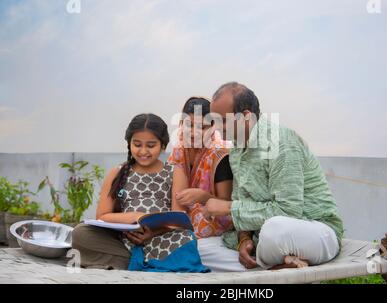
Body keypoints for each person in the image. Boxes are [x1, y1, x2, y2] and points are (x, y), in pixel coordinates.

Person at [204, 82, 344, 270]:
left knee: (274, 231)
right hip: (265, 240)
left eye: (222, 120)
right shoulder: (236, 151)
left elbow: (288, 212)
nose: (216, 127)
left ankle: (272, 265)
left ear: (246, 116)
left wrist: (228, 207)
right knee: (201, 250)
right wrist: (244, 240)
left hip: (314, 230)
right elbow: (243, 199)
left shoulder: (280, 141)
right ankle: (276, 265)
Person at [71, 113, 208, 272]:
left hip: (164, 239)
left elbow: (178, 219)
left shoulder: (175, 173)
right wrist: (135, 217)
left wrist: (153, 232)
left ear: (163, 145)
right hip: (126, 242)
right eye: (137, 144)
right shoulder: (117, 173)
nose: (143, 151)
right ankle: (139, 261)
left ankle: (132, 264)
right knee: (81, 233)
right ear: (129, 143)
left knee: (186, 237)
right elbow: (102, 216)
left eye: (150, 145)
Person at [168, 97, 246, 272]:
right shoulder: (180, 147)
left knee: (196, 249)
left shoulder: (220, 153)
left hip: (217, 221)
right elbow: (178, 202)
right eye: (189, 125)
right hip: (188, 217)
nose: (195, 133)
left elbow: (225, 207)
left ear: (213, 127)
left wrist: (203, 197)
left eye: (203, 127)